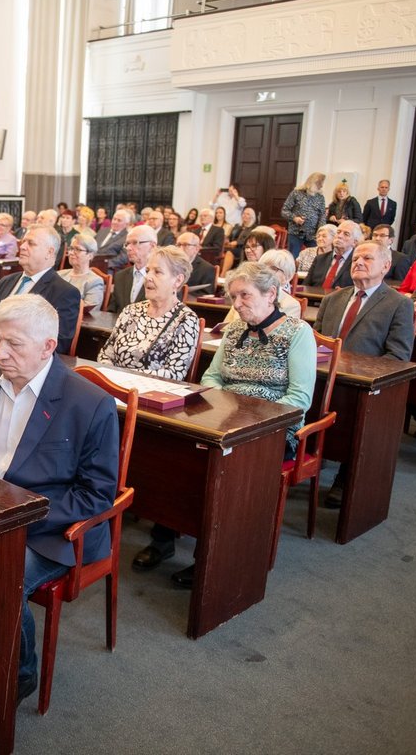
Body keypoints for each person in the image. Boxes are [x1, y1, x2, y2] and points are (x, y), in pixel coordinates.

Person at [0, 293, 119, 705]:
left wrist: (20, 515)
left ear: (49, 346)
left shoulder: (90, 404)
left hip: (49, 527)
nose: (0, 353)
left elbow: (96, 494)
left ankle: (18, 674)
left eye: (14, 344)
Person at [133, 263, 316, 587]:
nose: (237, 303)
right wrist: (224, 408)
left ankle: (211, 553)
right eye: (233, 297)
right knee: (175, 455)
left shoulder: (297, 333)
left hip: (271, 430)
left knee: (218, 469)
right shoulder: (233, 331)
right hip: (223, 419)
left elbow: (299, 398)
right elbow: (211, 377)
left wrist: (249, 414)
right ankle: (163, 537)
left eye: (245, 295)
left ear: (270, 294)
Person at [314, 240, 415, 502]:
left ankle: (345, 475)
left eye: (367, 258)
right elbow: (316, 343)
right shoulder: (333, 299)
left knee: (355, 426)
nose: (358, 262)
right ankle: (309, 458)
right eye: (356, 258)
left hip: (363, 385)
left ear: (386, 266)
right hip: (324, 378)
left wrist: (362, 375)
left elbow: (398, 356)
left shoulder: (397, 304)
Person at [0, 225, 81, 355]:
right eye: (23, 241)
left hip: (18, 362)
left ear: (49, 252)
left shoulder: (64, 292)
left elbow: (58, 345)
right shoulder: (6, 281)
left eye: (31, 243)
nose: (22, 247)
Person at [99, 245, 200, 380]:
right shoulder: (131, 310)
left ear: (178, 280)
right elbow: (105, 355)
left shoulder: (186, 319)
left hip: (149, 393)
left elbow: (174, 373)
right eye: (147, 270)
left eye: (157, 272)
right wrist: (112, 378)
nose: (148, 277)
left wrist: (126, 377)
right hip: (114, 384)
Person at [224, 250, 302, 322]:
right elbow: (225, 327)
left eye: (273, 268)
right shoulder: (241, 297)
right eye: (263, 267)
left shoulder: (291, 305)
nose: (266, 272)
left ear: (286, 277)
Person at [107, 224, 157, 313]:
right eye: (127, 244)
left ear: (152, 246)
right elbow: (112, 310)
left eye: (135, 243)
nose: (129, 248)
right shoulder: (120, 276)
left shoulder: (162, 278)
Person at [281, 172, 326, 256]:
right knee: (292, 257)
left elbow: (322, 215)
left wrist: (321, 230)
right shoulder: (296, 193)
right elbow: (284, 211)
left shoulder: (320, 197)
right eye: (319, 183)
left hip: (313, 235)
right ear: (312, 182)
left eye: (322, 184)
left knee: (314, 257)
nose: (321, 186)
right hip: (296, 233)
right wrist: (295, 218)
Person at [305, 220, 359, 289]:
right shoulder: (320, 259)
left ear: (354, 242)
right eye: (338, 232)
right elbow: (305, 285)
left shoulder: (357, 262)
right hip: (314, 298)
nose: (339, 236)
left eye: (346, 234)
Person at [58, 233, 105, 307]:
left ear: (90, 255)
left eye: (77, 249)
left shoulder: (94, 281)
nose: (70, 253)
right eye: (71, 248)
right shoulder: (59, 275)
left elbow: (91, 311)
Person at [223, 206, 258, 273]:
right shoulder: (238, 227)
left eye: (247, 214)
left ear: (252, 217)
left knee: (229, 253)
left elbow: (250, 240)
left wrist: (237, 242)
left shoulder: (254, 228)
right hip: (232, 247)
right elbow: (230, 237)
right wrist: (227, 240)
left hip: (243, 248)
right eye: (243, 213)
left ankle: (222, 274)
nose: (244, 215)